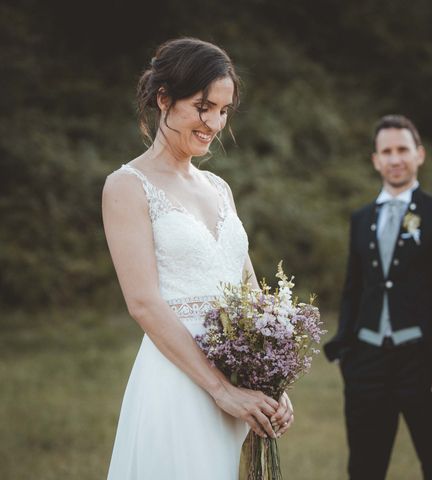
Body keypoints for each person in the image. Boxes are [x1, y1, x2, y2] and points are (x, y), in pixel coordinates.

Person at [102, 38, 293, 480]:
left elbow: (250, 294)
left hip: (237, 386)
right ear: (164, 99)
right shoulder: (127, 186)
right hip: (179, 382)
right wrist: (220, 390)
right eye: (203, 107)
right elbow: (144, 303)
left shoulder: (218, 187)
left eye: (223, 111)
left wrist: (270, 385)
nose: (215, 123)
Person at [324, 115, 432, 480]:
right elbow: (354, 288)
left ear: (419, 155)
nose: (395, 158)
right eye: (386, 151)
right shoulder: (361, 218)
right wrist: (346, 349)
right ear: (375, 160)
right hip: (367, 364)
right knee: (364, 468)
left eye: (402, 149)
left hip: (424, 361)